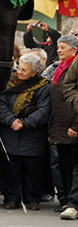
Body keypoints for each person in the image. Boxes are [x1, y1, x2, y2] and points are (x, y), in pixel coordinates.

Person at [0, 54, 51, 210]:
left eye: (24, 70)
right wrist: (11, 121)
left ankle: (32, 198)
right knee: (12, 169)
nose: (19, 72)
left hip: (32, 134)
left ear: (34, 73)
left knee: (33, 169)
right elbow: (1, 105)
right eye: (19, 68)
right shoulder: (10, 84)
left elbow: (44, 110)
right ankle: (12, 198)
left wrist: (25, 123)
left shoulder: (43, 86)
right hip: (10, 133)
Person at [46, 35, 78, 214]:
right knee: (63, 164)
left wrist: (76, 125)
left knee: (74, 166)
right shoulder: (57, 69)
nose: (58, 50)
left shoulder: (75, 68)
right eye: (58, 47)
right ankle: (66, 200)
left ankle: (73, 201)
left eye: (62, 47)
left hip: (72, 124)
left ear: (74, 50)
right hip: (59, 125)